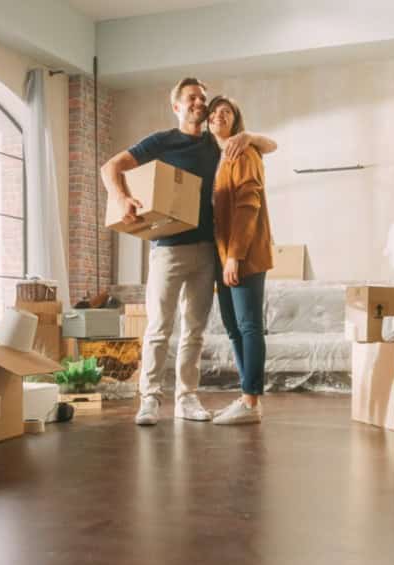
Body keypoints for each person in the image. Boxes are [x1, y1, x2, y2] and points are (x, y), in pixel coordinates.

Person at [100, 78, 276, 426]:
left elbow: (269, 147)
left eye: (203, 99)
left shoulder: (220, 145)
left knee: (195, 330)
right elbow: (110, 167)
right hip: (167, 250)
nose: (199, 103)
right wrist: (121, 198)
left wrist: (250, 136)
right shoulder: (162, 141)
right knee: (159, 327)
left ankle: (187, 399)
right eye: (192, 98)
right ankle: (149, 398)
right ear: (177, 106)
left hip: (207, 250)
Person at [206, 96, 274, 426]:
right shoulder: (218, 158)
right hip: (223, 255)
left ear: (235, 120)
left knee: (248, 326)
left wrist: (235, 255)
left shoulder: (243, 151)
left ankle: (251, 401)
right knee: (233, 328)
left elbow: (249, 205)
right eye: (214, 112)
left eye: (226, 112)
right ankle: (247, 397)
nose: (219, 116)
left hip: (243, 253)